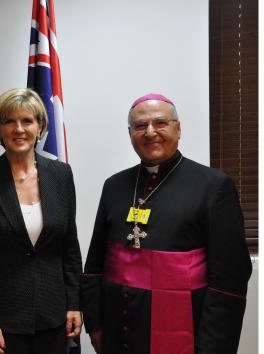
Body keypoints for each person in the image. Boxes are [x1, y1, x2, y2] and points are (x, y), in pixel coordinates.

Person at [82, 93, 252, 354]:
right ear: (130, 133)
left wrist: (212, 346)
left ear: (178, 128)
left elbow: (229, 280)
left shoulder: (214, 186)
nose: (150, 132)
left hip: (185, 333)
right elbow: (95, 264)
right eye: (140, 126)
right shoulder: (114, 185)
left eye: (160, 123)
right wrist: (95, 324)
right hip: (119, 332)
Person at [0, 88, 82, 354]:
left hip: (55, 316)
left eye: (27, 121)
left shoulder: (61, 175)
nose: (19, 129)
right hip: (4, 320)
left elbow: (70, 248)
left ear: (40, 126)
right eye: (9, 121)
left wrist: (75, 303)